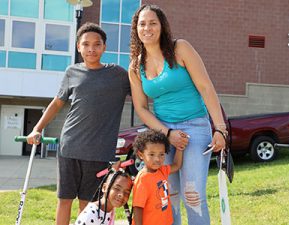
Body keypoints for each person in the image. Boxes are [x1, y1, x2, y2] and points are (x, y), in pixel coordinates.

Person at [129, 4, 227, 225]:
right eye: (142, 24)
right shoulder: (135, 67)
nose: (147, 28)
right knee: (168, 196)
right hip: (163, 132)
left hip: (195, 127)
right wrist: (168, 133)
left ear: (162, 26)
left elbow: (206, 87)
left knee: (192, 195)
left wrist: (220, 128)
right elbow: (142, 108)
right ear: (136, 29)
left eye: (153, 23)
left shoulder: (180, 48)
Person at [26, 22, 130, 225]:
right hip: (70, 147)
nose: (91, 48)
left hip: (99, 153)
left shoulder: (118, 75)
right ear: (78, 47)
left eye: (97, 44)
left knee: (89, 203)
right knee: (64, 200)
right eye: (86, 44)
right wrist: (37, 128)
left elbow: (141, 94)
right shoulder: (71, 72)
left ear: (104, 47)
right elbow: (56, 103)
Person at [132, 129, 185, 225]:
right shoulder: (142, 179)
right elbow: (137, 207)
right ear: (141, 155)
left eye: (161, 154)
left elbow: (177, 165)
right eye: (151, 154)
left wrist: (179, 148)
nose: (157, 159)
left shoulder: (162, 170)